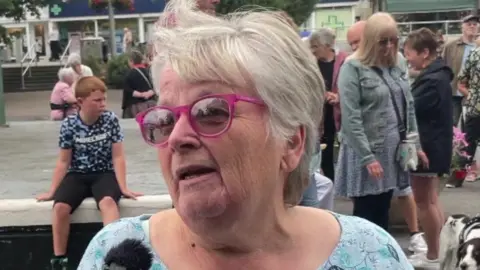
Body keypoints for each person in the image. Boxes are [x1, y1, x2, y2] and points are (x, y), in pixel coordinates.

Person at [78, 1, 412, 269]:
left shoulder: (369, 254)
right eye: (165, 118)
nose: (177, 137)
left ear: (291, 141)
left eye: (210, 112)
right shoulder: (114, 254)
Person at [36, 76, 142, 269]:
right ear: (80, 102)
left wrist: (124, 187)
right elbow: (63, 161)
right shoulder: (69, 125)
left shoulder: (110, 120)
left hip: (104, 173)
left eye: (104, 99)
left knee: (108, 203)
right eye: (97, 100)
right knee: (60, 207)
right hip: (77, 174)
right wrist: (52, 191)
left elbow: (118, 157)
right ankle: (59, 258)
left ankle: (113, 254)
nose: (103, 104)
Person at [336, 13, 423, 233]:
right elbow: (351, 117)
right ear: (370, 40)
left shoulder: (398, 62)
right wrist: (368, 157)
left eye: (393, 40)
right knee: (367, 213)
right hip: (366, 149)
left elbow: (408, 106)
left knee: (383, 209)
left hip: (393, 149)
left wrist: (416, 145)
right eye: (382, 41)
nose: (389, 46)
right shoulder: (352, 67)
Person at [403, 27, 452, 269]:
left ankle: (433, 255)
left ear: (424, 52)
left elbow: (411, 109)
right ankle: (438, 250)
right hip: (436, 146)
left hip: (427, 148)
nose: (407, 58)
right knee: (431, 201)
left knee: (424, 203)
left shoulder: (432, 80)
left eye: (408, 53)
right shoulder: (439, 75)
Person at [308, 28, 348, 182]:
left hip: (341, 113)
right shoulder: (313, 64)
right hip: (322, 115)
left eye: (315, 47)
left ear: (326, 46)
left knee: (345, 150)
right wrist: (323, 95)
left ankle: (344, 183)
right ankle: (331, 182)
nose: (313, 50)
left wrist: (339, 97)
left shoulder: (345, 61)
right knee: (325, 151)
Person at [443, 14, 478, 127]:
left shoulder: (478, 46)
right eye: (469, 24)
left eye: (475, 24)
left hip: (474, 95)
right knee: (452, 125)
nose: (472, 26)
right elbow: (443, 67)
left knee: (471, 127)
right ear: (462, 27)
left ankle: (467, 144)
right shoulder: (451, 46)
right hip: (454, 92)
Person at [121, 51, 157, 118]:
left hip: (135, 108)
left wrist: (140, 94)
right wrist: (148, 93)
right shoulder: (149, 72)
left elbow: (128, 90)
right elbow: (156, 86)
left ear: (131, 61)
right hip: (151, 106)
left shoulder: (129, 74)